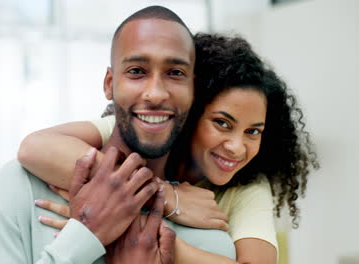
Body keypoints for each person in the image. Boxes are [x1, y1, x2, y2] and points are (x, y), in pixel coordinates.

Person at [18, 34, 320, 263]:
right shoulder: (136, 132)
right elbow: (35, 148)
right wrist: (165, 196)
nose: (237, 147)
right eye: (222, 123)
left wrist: (157, 237)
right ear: (188, 111)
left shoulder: (248, 187)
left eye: (253, 131)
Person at [0, 6, 236, 264]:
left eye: (175, 73)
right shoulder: (22, 184)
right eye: (136, 71)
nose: (155, 94)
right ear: (109, 84)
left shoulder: (209, 232)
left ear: (193, 89)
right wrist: (85, 235)